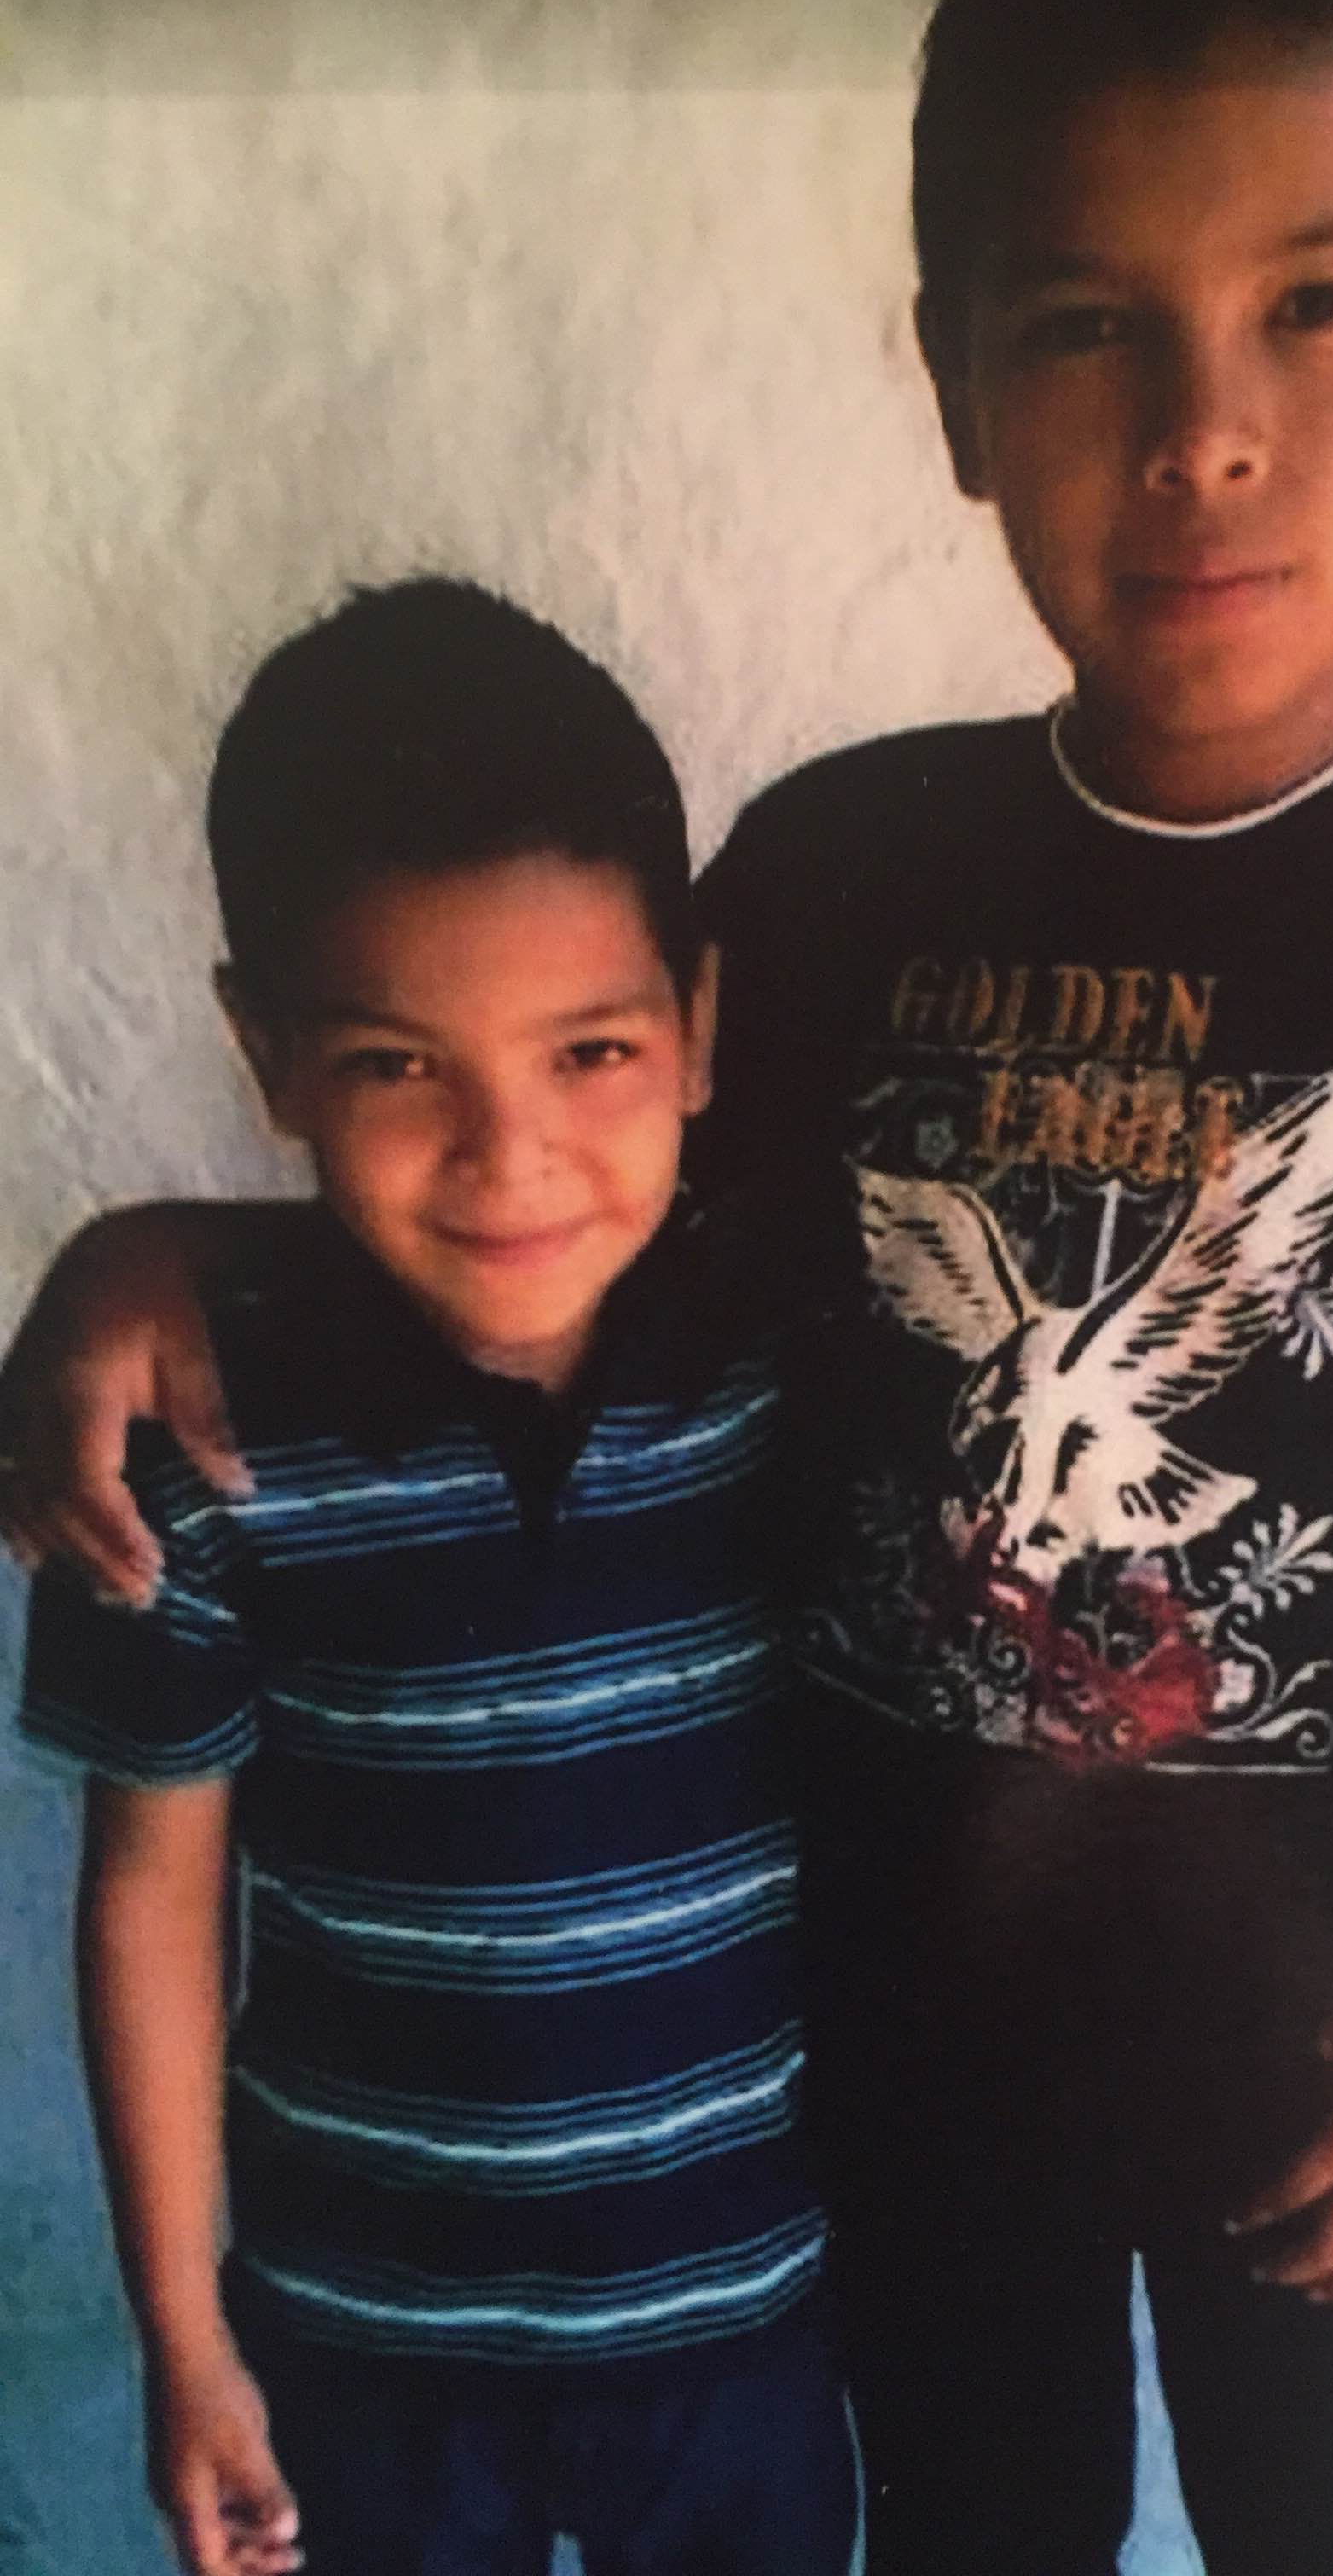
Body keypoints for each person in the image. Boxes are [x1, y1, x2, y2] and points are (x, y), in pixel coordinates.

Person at [4, 0, 1333, 2569]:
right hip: (876, 2061)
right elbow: (544, 1196)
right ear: (957, 380)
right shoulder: (836, 875)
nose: (1203, 432)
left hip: (1330, 2055)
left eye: (1312, 302)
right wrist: (150, 1256)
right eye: (1083, 323)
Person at [13, 582, 855, 2576]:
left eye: (590, 1051)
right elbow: (151, 1898)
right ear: (268, 1057)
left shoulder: (793, 1357)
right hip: (359, 2342)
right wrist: (186, 2340)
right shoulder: (189, 1438)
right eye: (401, 1066)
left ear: (698, 1029)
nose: (511, 1155)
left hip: (745, 2313)